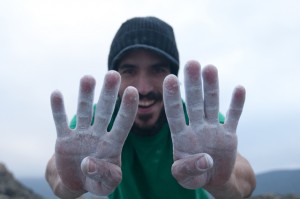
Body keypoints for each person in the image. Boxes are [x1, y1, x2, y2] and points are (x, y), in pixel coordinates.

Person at [45, 16, 256, 199]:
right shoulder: (96, 124)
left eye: (157, 70)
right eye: (129, 70)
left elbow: (245, 178)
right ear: (114, 79)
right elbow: (56, 169)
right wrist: (68, 182)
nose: (142, 88)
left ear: (172, 77)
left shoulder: (196, 121)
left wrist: (223, 182)